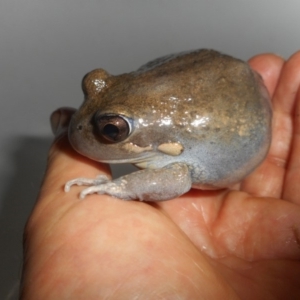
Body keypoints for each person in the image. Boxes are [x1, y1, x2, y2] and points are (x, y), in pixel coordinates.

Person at [20, 52, 300, 299]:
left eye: (111, 131)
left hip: (243, 116)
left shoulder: (164, 141)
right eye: (91, 87)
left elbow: (178, 178)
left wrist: (119, 187)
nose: (81, 125)